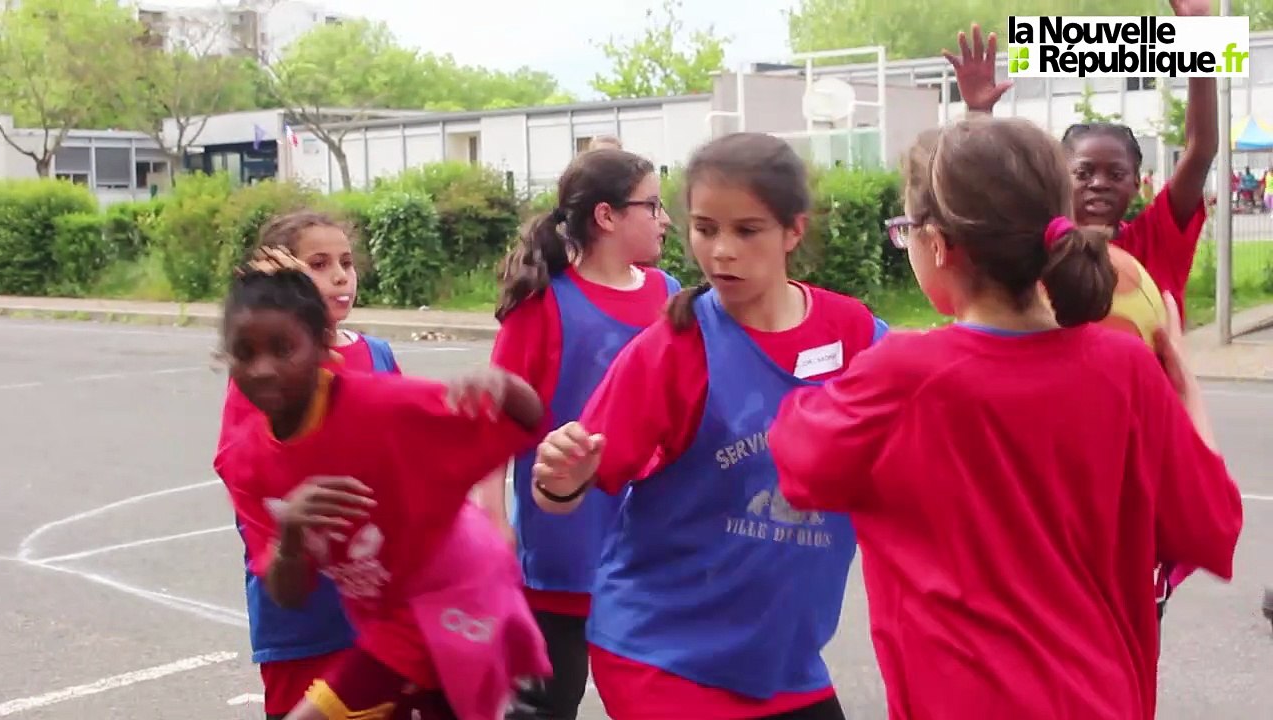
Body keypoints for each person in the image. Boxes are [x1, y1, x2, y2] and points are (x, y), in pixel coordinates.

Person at [768, 116, 1243, 720]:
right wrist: (1186, 388)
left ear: (937, 244)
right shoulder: (1125, 367)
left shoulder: (903, 374)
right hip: (1104, 699)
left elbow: (801, 461)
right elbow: (1212, 526)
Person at [529, 132, 888, 720]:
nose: (721, 251)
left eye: (747, 231)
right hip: (665, 657)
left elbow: (949, 399)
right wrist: (559, 479)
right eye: (704, 228)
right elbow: (564, 493)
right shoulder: (674, 348)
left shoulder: (853, 335)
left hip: (783, 665)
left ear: (793, 230)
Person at [944, 0, 1219, 618]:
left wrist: (1199, 40)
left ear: (1137, 183)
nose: (1098, 183)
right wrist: (980, 114)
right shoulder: (1030, 248)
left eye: (1114, 173)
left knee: (1127, 639)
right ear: (1058, 181)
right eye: (1083, 171)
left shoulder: (1155, 243)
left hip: (1135, 483)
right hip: (1050, 475)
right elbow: (982, 189)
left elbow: (1201, 148)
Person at [216, 256, 553, 720]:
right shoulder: (246, 463)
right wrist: (291, 537)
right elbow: (287, 593)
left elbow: (527, 421)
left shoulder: (383, 410)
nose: (264, 368)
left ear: (324, 346)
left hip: (453, 596)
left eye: (282, 348)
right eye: (245, 352)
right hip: (384, 616)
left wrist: (507, 388)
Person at [476, 148, 677, 720]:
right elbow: (494, 425)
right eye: (653, 206)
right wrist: (493, 520)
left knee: (657, 696)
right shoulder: (543, 306)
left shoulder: (671, 296)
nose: (665, 220)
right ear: (608, 217)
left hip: (650, 546)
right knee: (547, 701)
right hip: (565, 543)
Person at [214, 211, 399, 720]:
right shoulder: (266, 366)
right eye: (319, 264)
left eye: (346, 262)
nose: (342, 276)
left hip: (383, 613)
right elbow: (245, 469)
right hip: (305, 624)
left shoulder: (378, 354)